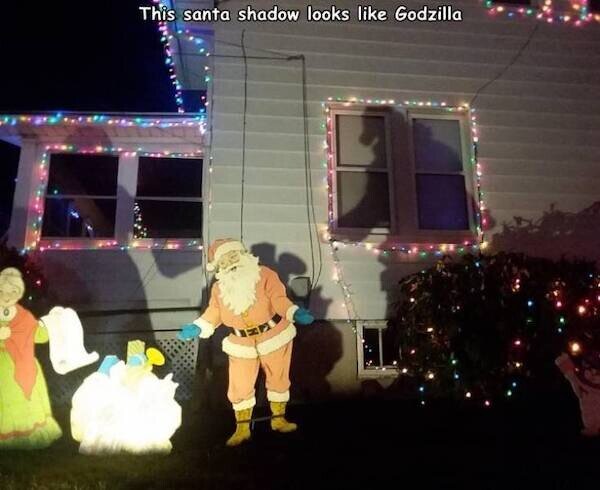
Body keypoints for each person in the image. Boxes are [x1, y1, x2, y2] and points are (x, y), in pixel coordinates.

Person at [179, 239, 314, 446]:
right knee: (239, 385)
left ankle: (278, 420)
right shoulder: (219, 288)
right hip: (241, 342)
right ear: (219, 265)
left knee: (278, 378)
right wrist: (199, 326)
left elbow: (279, 299)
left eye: (233, 255)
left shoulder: (265, 275)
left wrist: (293, 312)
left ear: (243, 255)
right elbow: (214, 312)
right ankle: (242, 429)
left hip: (274, 335)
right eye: (224, 260)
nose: (231, 262)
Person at [0, 268, 62, 449]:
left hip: (22, 365)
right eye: (2, 291)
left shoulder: (23, 317)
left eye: (12, 291)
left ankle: (21, 434)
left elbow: (39, 335)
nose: (6, 296)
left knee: (20, 401)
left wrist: (51, 324)